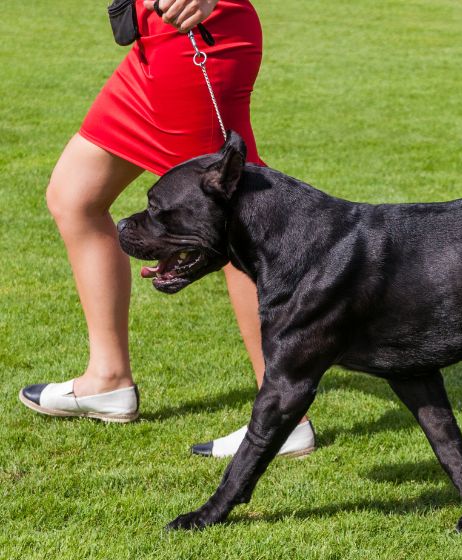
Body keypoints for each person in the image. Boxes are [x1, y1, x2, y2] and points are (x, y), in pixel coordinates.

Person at [17, 0, 315, 458]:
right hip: (151, 41)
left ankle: (283, 416)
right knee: (74, 196)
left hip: (198, 33)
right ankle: (107, 379)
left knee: (235, 224)